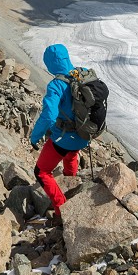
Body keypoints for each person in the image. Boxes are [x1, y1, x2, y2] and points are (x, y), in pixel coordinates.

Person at [29, 43, 91, 218]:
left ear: (50, 63)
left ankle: (62, 209)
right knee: (71, 154)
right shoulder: (83, 74)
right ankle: (70, 182)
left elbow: (49, 116)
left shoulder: (56, 85)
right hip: (84, 133)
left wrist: (35, 137)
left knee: (41, 172)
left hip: (65, 138)